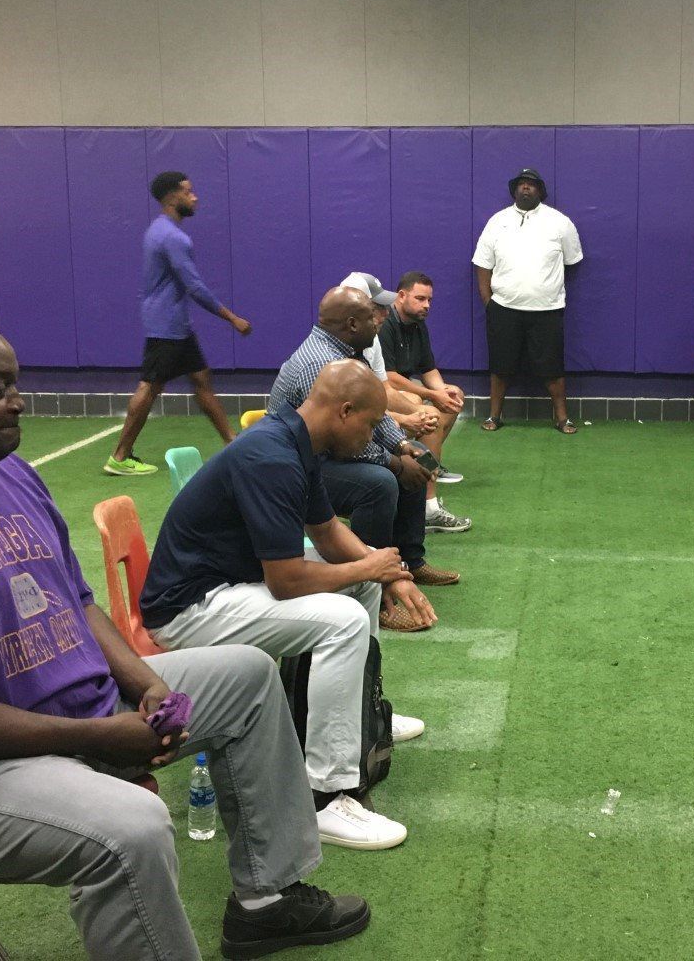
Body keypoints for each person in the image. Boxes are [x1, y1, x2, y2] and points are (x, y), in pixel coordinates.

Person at [0, 313, 368, 960]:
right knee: (132, 828)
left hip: (70, 713)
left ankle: (268, 902)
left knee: (250, 677)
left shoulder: (7, 474)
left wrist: (145, 683)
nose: (19, 400)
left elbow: (76, 601)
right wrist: (94, 737)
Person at [142, 360, 434, 849]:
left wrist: (391, 575)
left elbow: (327, 531)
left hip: (229, 587)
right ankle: (326, 796)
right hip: (190, 610)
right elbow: (286, 580)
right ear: (344, 411)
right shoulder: (272, 457)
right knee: (342, 619)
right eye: (369, 424)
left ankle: (363, 712)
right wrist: (369, 568)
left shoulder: (299, 442)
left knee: (358, 590)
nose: (374, 437)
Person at [269, 287, 460, 603]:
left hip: (326, 454)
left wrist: (401, 446)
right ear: (353, 324)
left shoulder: (345, 354)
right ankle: (372, 587)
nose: (380, 322)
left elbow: (372, 414)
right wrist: (396, 463)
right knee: (380, 483)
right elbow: (347, 436)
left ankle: (409, 563)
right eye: (373, 316)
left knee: (417, 457)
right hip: (297, 468)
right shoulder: (322, 364)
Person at [106, 171, 253, 477]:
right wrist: (232, 319)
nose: (194, 197)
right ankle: (120, 456)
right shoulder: (173, 238)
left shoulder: (158, 230)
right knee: (150, 387)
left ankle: (230, 441)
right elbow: (195, 287)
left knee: (201, 379)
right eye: (188, 192)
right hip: (166, 326)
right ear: (172, 197)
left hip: (175, 325)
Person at [472, 168, 583, 434]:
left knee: (553, 369)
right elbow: (483, 264)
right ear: (514, 190)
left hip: (547, 310)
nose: (525, 188)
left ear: (540, 191)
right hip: (504, 309)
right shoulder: (497, 222)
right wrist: (489, 301)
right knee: (500, 367)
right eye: (521, 184)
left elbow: (572, 261)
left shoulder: (560, 222)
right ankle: (494, 416)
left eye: (531, 185)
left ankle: (562, 418)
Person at [379, 271, 471, 533]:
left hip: (403, 389)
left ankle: (428, 464)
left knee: (453, 394)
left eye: (429, 300)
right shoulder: (384, 324)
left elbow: (428, 369)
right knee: (426, 408)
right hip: (385, 390)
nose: (426, 305)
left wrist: (443, 392)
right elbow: (388, 377)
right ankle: (428, 504)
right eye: (420, 299)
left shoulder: (419, 324)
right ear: (401, 296)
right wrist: (430, 396)